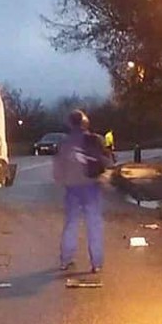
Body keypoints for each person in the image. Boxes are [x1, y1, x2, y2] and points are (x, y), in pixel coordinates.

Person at [53, 109, 110, 273]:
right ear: (85, 122)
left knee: (71, 224)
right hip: (91, 187)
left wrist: (64, 179)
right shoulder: (94, 140)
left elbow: (57, 171)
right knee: (94, 225)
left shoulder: (64, 143)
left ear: (70, 123)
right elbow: (107, 161)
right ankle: (96, 263)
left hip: (72, 189)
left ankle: (65, 259)